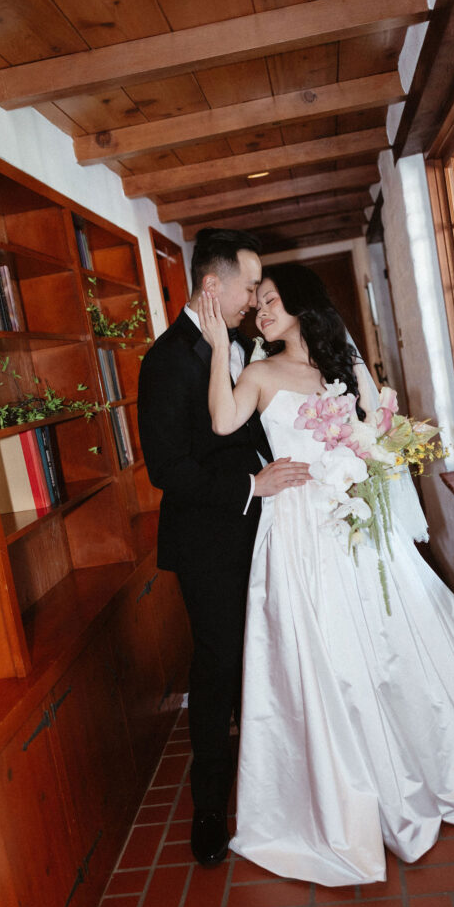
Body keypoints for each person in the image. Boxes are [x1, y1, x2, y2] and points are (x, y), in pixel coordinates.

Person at [198, 262, 454, 887]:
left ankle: (423, 762)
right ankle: (347, 790)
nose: (263, 312)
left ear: (303, 308)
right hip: (296, 530)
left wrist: (364, 468)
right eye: (260, 303)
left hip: (353, 524)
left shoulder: (341, 370)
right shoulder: (257, 371)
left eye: (272, 302)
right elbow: (222, 422)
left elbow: (376, 440)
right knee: (321, 652)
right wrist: (222, 347)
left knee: (387, 643)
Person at [137, 230, 311, 868]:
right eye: (248, 286)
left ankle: (289, 776)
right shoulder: (164, 361)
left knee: (276, 648)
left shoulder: (243, 345)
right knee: (218, 666)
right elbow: (167, 469)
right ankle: (209, 804)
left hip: (272, 528)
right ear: (213, 286)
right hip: (208, 540)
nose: (254, 300)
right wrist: (250, 485)